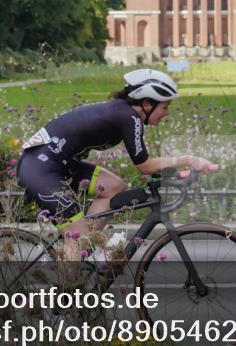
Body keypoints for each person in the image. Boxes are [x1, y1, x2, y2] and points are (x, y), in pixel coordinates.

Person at [17, 69, 219, 264]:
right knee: (76, 238)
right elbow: (145, 166)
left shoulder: (123, 113)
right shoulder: (129, 117)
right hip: (40, 168)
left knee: (113, 187)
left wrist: (175, 172)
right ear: (148, 104)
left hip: (58, 164)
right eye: (164, 107)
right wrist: (189, 160)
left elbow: (147, 165)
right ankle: (69, 291)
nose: (166, 114)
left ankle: (84, 249)